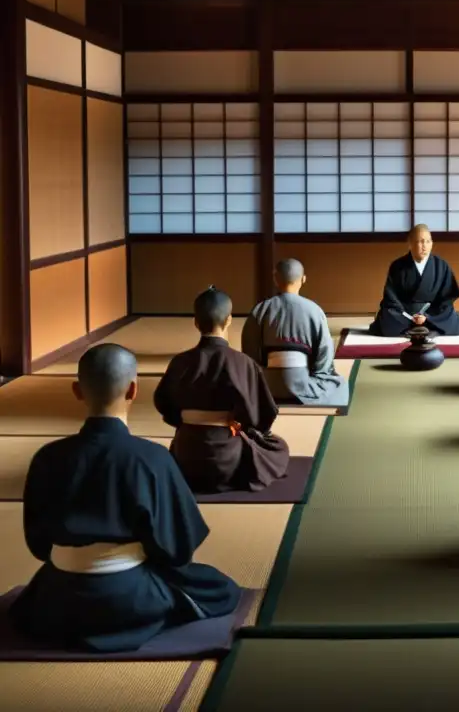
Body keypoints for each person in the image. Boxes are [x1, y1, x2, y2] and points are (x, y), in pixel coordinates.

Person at [9, 344, 241, 653]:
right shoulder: (152, 458)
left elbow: (39, 545)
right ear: (133, 390)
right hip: (128, 595)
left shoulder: (47, 458)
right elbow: (178, 549)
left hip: (57, 599)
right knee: (220, 589)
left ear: (77, 391)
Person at [157, 287, 290, 494]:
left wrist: (189, 423)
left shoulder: (180, 362)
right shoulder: (242, 362)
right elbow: (262, 413)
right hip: (227, 455)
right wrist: (244, 426)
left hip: (185, 455)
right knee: (277, 447)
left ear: (196, 322)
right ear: (229, 320)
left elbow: (164, 404)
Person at [242, 259, 348, 408]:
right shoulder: (314, 310)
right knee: (340, 386)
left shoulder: (260, 309)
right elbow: (324, 352)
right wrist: (318, 375)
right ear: (303, 279)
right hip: (302, 382)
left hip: (266, 386)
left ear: (275, 279)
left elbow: (249, 352)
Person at [368, 224, 459, 337]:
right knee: (388, 315)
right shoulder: (397, 265)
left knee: (449, 313)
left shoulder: (441, 265)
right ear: (410, 244)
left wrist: (427, 316)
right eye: (421, 241)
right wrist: (408, 315)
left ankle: (424, 325)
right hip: (405, 313)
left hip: (432, 312)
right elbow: (391, 296)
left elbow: (446, 298)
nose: (424, 246)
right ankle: (423, 327)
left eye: (428, 241)